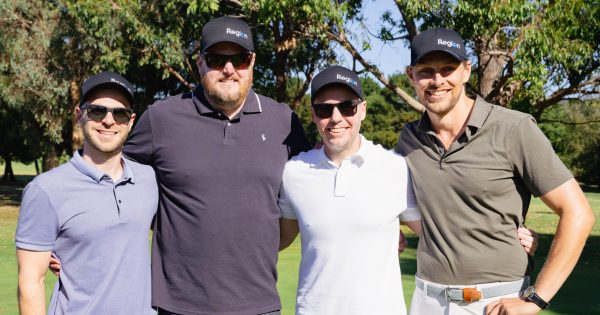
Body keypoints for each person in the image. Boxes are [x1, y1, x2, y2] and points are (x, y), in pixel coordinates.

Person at [396, 27, 595, 315]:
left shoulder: (514, 128)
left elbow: (578, 213)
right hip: (427, 301)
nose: (437, 80)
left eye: (448, 69)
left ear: (466, 71)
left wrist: (535, 299)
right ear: (410, 75)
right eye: (426, 70)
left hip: (495, 303)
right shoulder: (408, 139)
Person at [123, 16, 310, 315]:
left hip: (259, 305)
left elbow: (324, 179)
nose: (228, 69)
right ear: (200, 63)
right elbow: (111, 177)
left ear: (252, 62)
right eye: (216, 59)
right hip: (178, 306)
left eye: (239, 58)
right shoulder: (161, 119)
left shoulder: (283, 122)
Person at [278, 66, 423, 315]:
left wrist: (509, 234)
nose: (335, 118)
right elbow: (280, 238)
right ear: (313, 115)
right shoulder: (294, 172)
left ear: (362, 110)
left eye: (347, 107)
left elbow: (438, 235)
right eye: (325, 109)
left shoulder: (395, 168)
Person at [16, 72, 158, 314]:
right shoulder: (46, 190)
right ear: (79, 114)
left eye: (120, 113)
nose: (108, 121)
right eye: (97, 111)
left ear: (131, 121)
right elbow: (31, 282)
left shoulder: (149, 179)